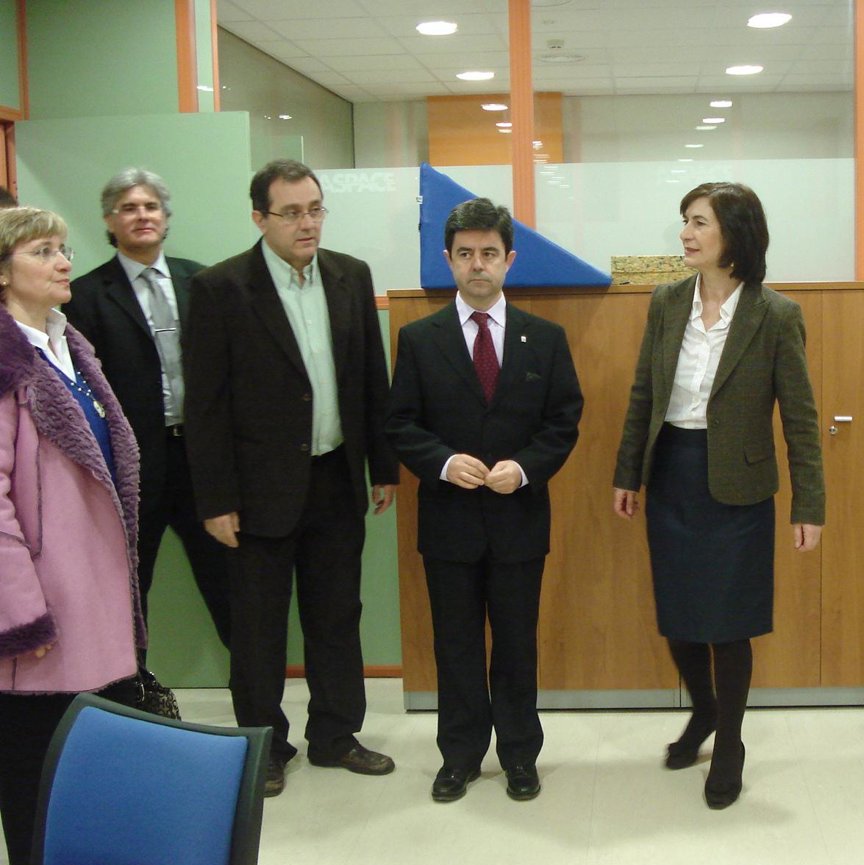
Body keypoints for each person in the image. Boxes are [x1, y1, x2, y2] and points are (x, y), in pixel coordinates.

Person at [183, 160, 398, 797]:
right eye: (292, 213)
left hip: (335, 477)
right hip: (256, 491)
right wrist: (215, 499)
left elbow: (370, 378)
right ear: (260, 218)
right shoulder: (221, 288)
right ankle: (264, 746)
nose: (308, 224)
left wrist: (382, 466)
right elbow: (205, 405)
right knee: (258, 628)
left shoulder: (350, 275)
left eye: (315, 209)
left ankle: (336, 734)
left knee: (336, 616)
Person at [612, 182, 824, 810]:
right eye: (685, 220)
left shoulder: (776, 314)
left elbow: (801, 418)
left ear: (735, 232)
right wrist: (628, 473)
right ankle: (703, 711)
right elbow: (644, 393)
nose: (686, 233)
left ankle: (729, 741)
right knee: (679, 615)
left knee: (729, 625)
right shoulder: (666, 301)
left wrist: (808, 504)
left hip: (738, 486)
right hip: (672, 473)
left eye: (699, 222)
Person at [386, 198, 583, 803]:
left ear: (509, 260)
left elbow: (563, 422)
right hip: (449, 522)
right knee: (456, 646)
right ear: (448, 259)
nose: (478, 265)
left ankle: (520, 755)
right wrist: (445, 463)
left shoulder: (545, 339)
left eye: (489, 253)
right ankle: (460, 756)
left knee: (518, 645)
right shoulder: (419, 339)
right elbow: (402, 423)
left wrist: (523, 469)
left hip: (519, 519)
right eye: (466, 254)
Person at [0, 207, 171, 865]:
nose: (64, 261)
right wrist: (21, 616)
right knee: (36, 767)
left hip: (97, 597)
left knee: (98, 748)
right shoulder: (7, 362)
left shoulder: (69, 346)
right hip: (42, 611)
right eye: (43, 251)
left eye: (64, 248)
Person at [65, 168, 231, 648]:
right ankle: (131, 687)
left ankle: (253, 691)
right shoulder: (86, 296)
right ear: (109, 220)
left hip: (202, 462)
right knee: (129, 590)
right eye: (129, 208)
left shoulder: (203, 281)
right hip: (133, 467)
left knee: (229, 584)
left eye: (151, 206)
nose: (142, 216)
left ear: (165, 216)